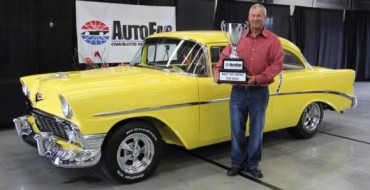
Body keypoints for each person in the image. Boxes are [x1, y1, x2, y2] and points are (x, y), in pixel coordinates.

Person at [213, 3, 284, 178]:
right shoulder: (236, 38)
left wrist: (257, 78)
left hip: (259, 92)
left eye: (259, 15)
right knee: (236, 130)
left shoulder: (273, 40)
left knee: (256, 130)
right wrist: (217, 73)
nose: (255, 18)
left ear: (264, 19)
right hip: (237, 92)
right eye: (253, 15)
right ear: (248, 18)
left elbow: (277, 65)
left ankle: (253, 165)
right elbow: (223, 59)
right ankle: (236, 164)